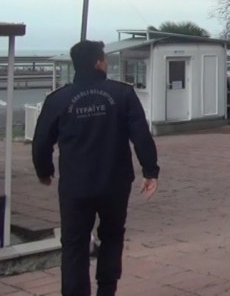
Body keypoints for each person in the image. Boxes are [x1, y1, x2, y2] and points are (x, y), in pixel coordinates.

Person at [32, 40, 160, 296]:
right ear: (98, 62)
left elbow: (41, 140)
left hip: (75, 185)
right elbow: (141, 135)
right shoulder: (122, 94)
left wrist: (44, 170)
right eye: (105, 59)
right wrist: (150, 170)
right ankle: (107, 290)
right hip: (114, 182)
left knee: (74, 243)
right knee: (112, 236)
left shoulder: (58, 99)